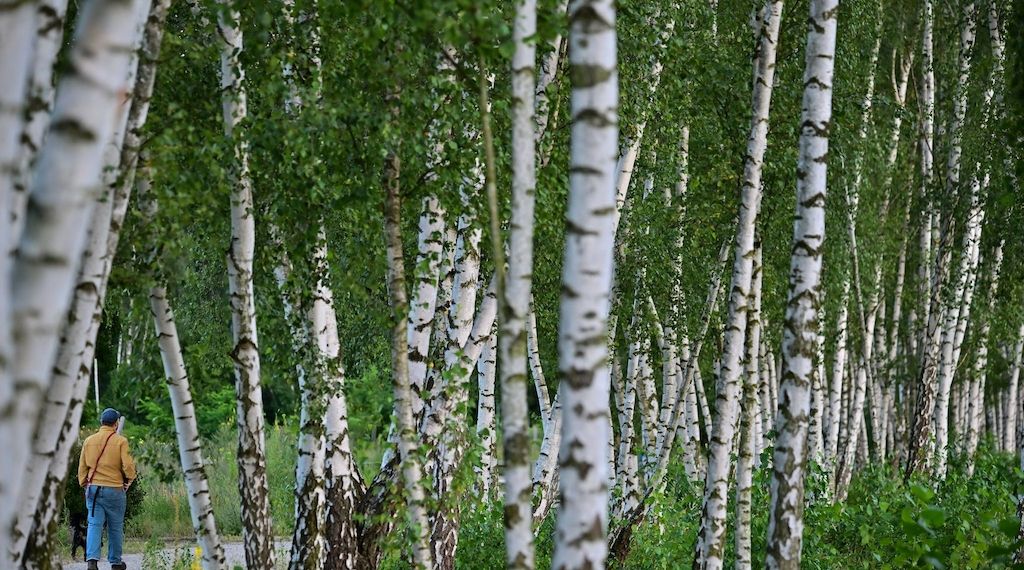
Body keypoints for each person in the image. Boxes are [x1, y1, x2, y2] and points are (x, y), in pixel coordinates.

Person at [78, 408, 136, 570]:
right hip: (115, 490)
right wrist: (130, 479)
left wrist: (85, 483)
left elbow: (82, 468)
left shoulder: (89, 440)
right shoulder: (121, 441)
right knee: (115, 526)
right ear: (116, 423)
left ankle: (92, 560)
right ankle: (116, 562)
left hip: (93, 490)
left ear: (101, 422)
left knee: (94, 524)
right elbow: (128, 466)